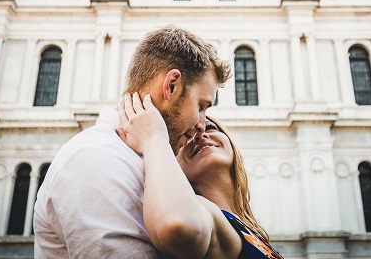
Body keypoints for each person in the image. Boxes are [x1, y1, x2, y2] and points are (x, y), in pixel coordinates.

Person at [33, 25, 232, 258]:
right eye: (201, 106)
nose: (202, 124)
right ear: (171, 86)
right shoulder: (97, 159)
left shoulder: (146, 160)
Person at [118, 92, 284, 259]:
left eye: (210, 127)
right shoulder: (201, 213)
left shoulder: (252, 232)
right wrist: (153, 138)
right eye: (185, 138)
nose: (200, 136)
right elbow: (177, 225)